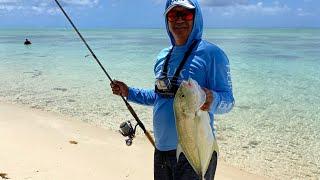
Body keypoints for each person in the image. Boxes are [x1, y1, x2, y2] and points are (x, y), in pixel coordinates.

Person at [110, 0, 234, 179]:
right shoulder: (162, 56)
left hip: (196, 151)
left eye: (186, 14)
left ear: (196, 16)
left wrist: (211, 98)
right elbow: (160, 96)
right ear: (167, 19)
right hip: (161, 151)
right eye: (173, 14)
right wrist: (128, 92)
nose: (179, 19)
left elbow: (228, 101)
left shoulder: (212, 54)